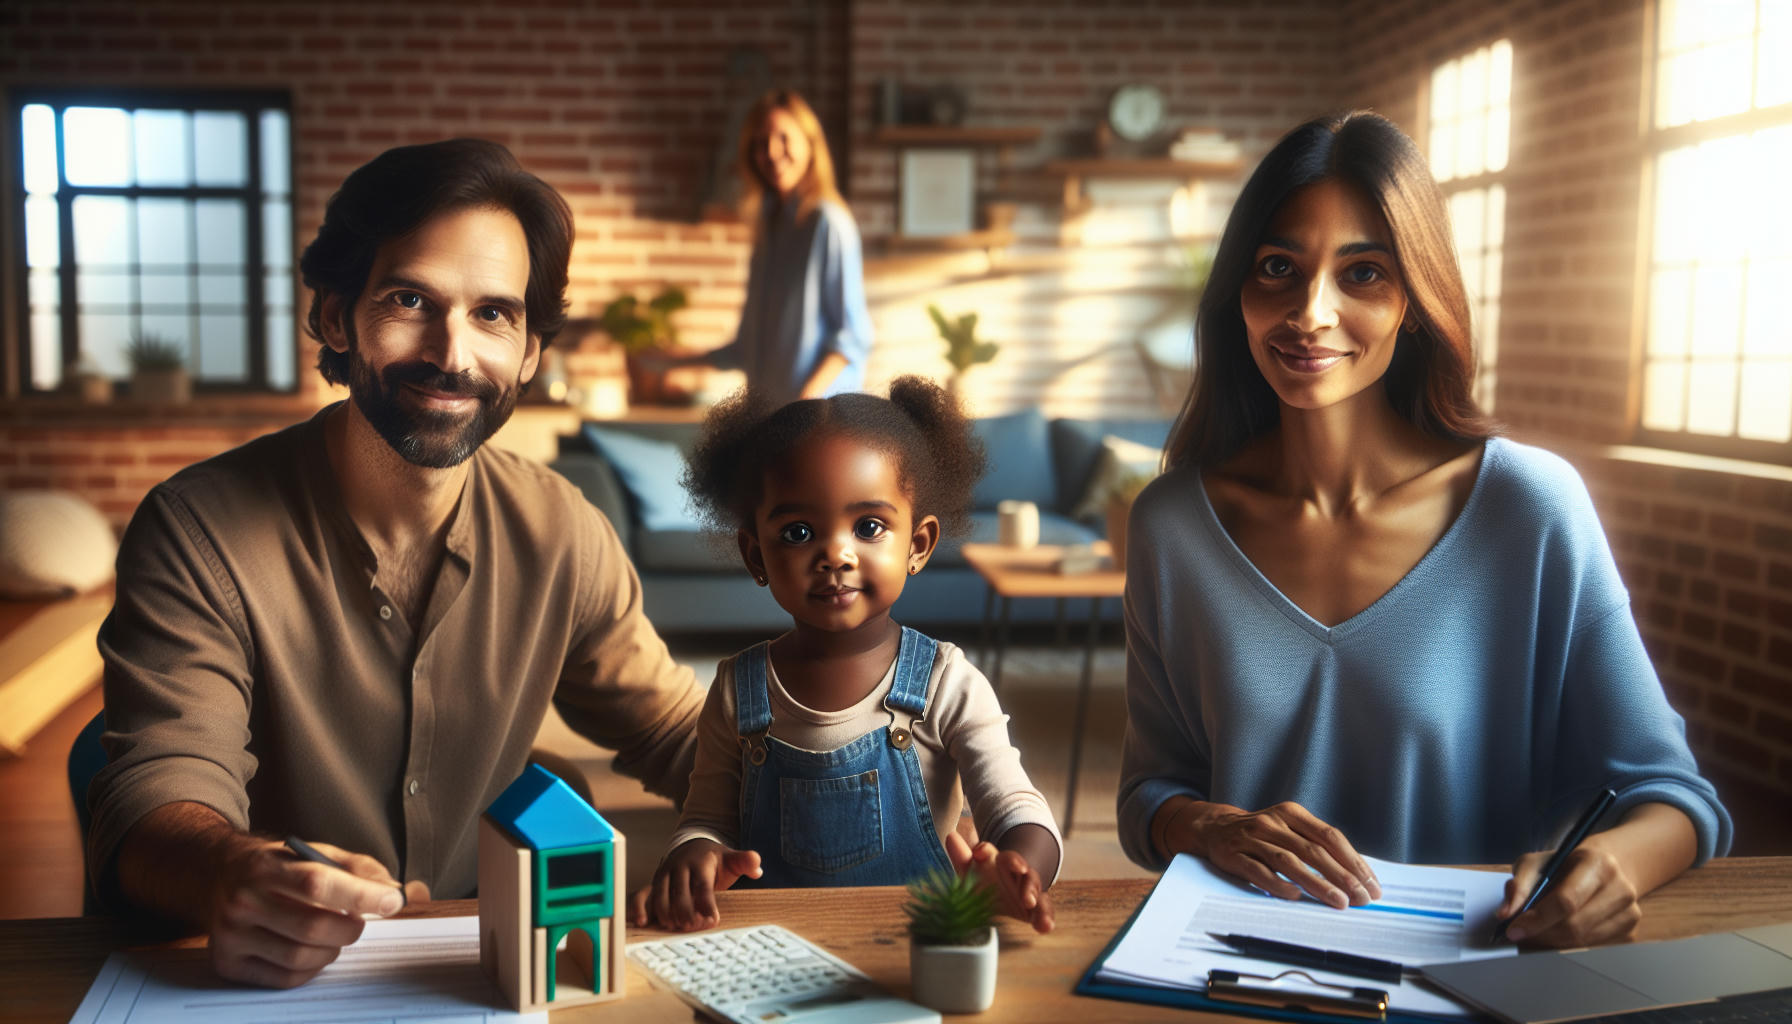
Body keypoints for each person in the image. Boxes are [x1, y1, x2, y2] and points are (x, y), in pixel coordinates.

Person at [88, 139, 705, 987]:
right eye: (412, 299)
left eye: (494, 313)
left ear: (529, 351)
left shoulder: (564, 530)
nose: (453, 353)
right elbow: (162, 790)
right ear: (339, 316)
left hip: (477, 966)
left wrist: (855, 765)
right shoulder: (197, 530)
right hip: (269, 978)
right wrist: (228, 872)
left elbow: (676, 733)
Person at [1116, 111, 1731, 949]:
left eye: (1362, 273)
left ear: (1414, 298)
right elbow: (1152, 795)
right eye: (1277, 268)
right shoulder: (1173, 526)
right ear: (1239, 294)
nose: (1310, 312)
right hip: (1238, 973)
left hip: (1473, 976)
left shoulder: (1530, 508)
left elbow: (1673, 797)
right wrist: (1208, 826)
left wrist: (1615, 867)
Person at [628, 378, 1060, 933]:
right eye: (799, 531)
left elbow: (1017, 809)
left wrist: (1020, 867)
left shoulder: (945, 682)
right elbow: (707, 819)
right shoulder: (738, 688)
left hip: (914, 948)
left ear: (918, 545)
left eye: (869, 526)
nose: (836, 552)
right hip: (774, 952)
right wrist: (692, 855)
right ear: (755, 555)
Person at [697, 89, 874, 407]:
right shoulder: (768, 225)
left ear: (810, 144)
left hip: (817, 423)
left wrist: (805, 403)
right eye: (760, 143)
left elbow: (853, 339)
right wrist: (670, 359)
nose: (772, 152)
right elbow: (748, 349)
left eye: (783, 137)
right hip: (771, 421)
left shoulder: (827, 223)